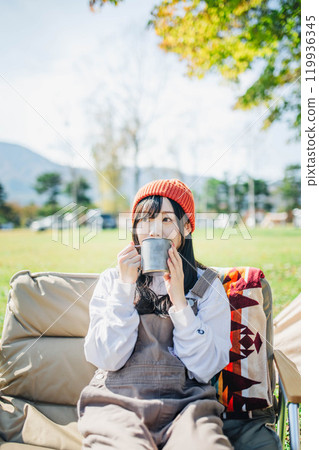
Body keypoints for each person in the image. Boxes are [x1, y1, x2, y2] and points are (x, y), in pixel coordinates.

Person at [78, 179, 233, 449]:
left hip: (187, 407)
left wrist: (180, 304)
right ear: (135, 228)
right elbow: (105, 358)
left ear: (186, 227)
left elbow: (206, 368)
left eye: (166, 220)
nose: (154, 231)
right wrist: (125, 289)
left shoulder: (208, 285)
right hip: (117, 404)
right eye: (145, 220)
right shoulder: (113, 280)